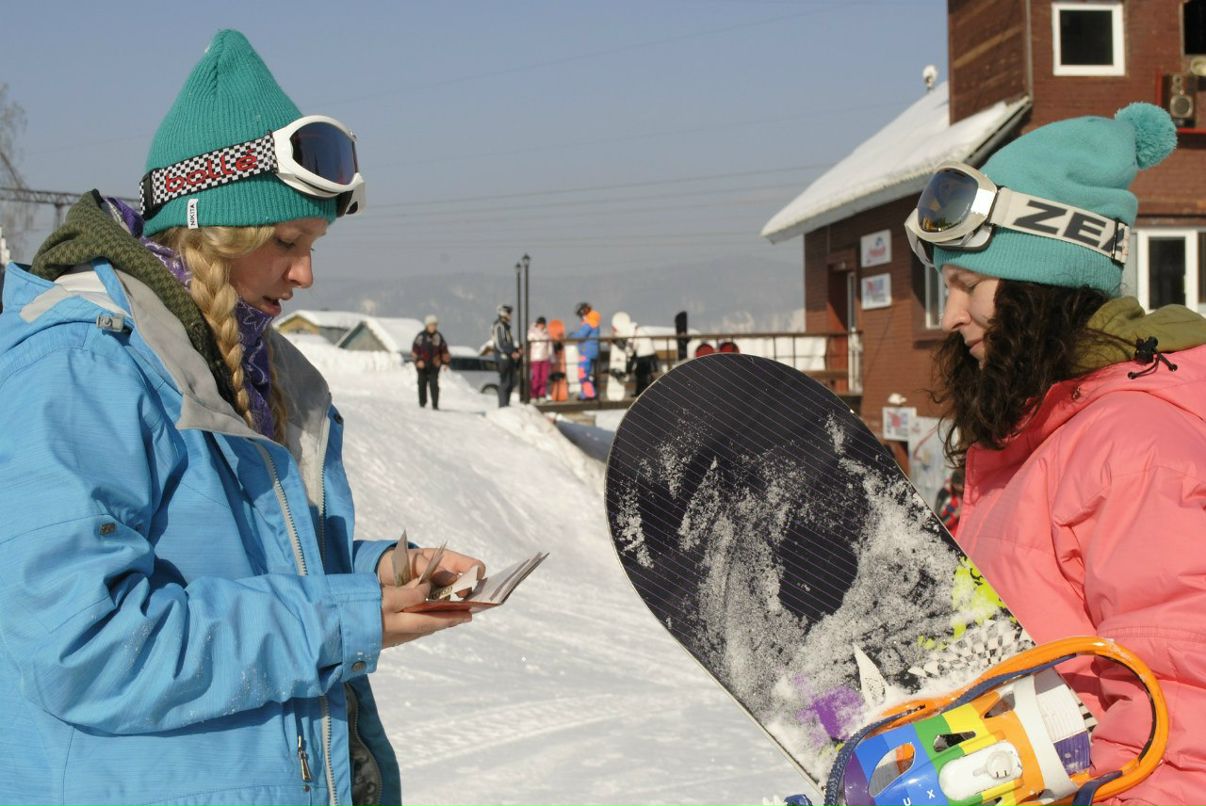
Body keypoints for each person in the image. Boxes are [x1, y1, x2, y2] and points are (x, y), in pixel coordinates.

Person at [0, 30, 483, 806]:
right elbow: (86, 647)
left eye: (314, 242)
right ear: (210, 230)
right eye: (287, 240)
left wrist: (380, 574)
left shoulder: (243, 367)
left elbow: (238, 563)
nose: (307, 272)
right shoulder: (83, 367)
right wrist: (342, 616)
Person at [910, 102, 1206, 801]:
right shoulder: (1036, 434)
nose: (949, 318)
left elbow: (1188, 728)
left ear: (1037, 285)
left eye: (967, 286)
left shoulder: (1132, 450)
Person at [412, 314, 451, 410]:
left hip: (434, 364)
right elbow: (414, 350)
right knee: (422, 383)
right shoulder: (421, 336)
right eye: (431, 325)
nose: (433, 327)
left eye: (435, 325)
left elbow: (444, 350)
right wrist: (418, 361)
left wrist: (446, 363)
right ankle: (422, 403)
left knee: (434, 384)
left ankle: (435, 404)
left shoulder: (438, 336)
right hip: (422, 364)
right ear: (427, 325)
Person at [490, 303, 521, 407]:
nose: (510, 315)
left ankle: (506, 404)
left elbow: (508, 343)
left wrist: (516, 350)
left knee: (512, 381)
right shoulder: (499, 326)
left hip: (509, 358)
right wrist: (511, 352)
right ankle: (503, 406)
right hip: (503, 358)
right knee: (505, 382)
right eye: (509, 313)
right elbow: (499, 344)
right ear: (503, 313)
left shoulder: (506, 327)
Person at [570, 301, 600, 400]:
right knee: (585, 373)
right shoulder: (593, 321)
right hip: (591, 351)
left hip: (586, 352)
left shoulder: (590, 323)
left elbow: (581, 335)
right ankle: (586, 393)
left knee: (582, 374)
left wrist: (571, 336)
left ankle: (589, 394)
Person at [527, 316, 552, 400]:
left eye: (543, 324)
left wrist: (551, 357)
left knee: (544, 377)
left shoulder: (547, 333)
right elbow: (529, 339)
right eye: (540, 324)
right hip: (535, 358)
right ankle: (534, 394)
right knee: (536, 377)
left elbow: (550, 346)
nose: (541, 325)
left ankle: (542, 394)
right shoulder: (532, 332)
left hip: (545, 358)